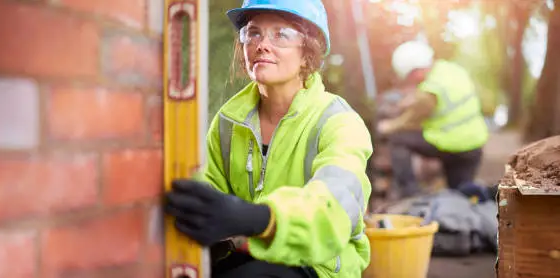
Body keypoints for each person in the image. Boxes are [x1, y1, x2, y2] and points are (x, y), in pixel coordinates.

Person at [164, 0, 374, 277]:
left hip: (319, 265)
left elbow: (334, 210)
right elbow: (209, 187)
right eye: (253, 33)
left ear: (307, 53)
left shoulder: (339, 122)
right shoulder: (229, 121)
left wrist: (260, 218)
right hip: (247, 253)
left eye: (281, 34)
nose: (262, 44)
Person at [376, 40, 489, 198]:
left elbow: (410, 121)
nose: (411, 81)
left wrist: (387, 127)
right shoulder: (450, 70)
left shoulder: (429, 92)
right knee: (460, 195)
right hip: (473, 145)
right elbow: (439, 101)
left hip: (451, 145)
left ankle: (410, 192)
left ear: (416, 71)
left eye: (410, 77)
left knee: (398, 139)